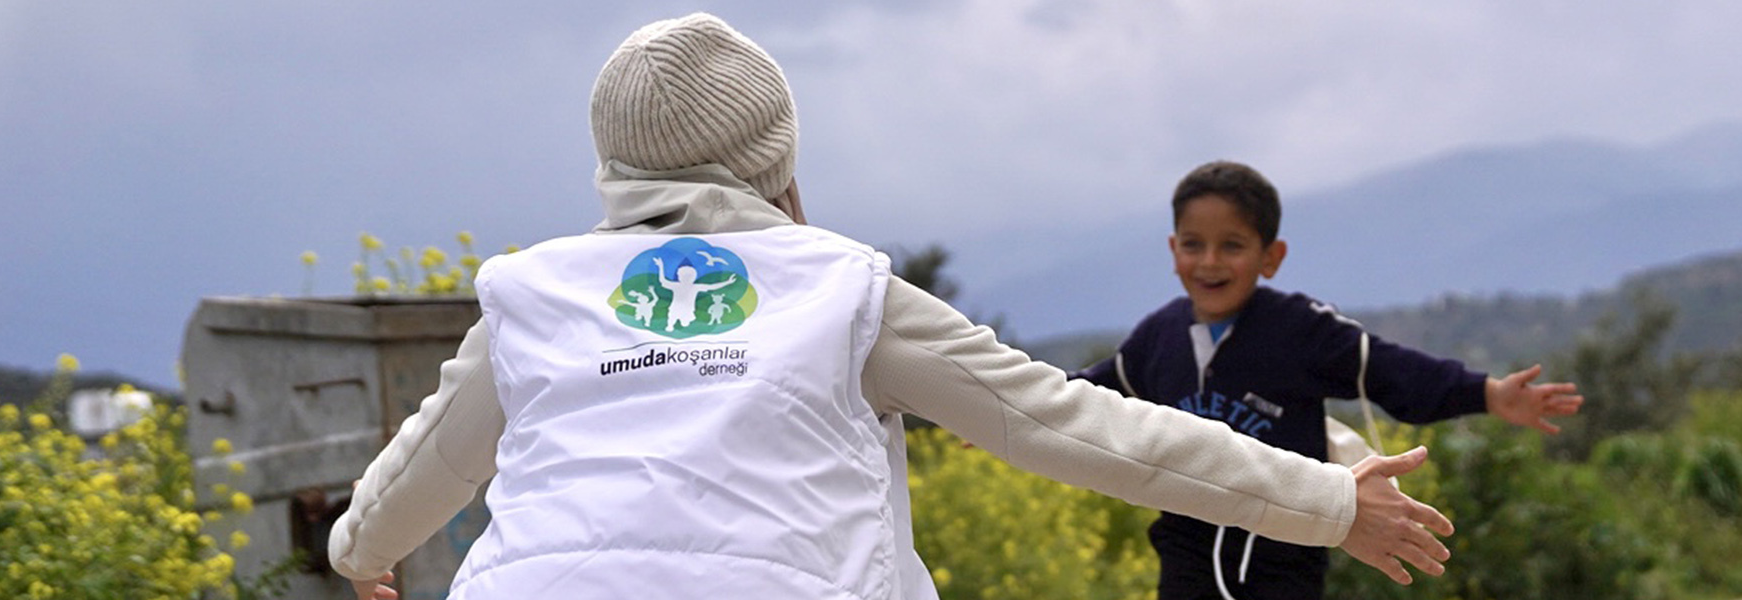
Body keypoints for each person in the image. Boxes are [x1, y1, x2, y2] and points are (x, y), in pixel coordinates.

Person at [328, 14, 1457, 600]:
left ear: (611, 166)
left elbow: (416, 475)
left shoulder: (531, 296)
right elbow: (1076, 427)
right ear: (776, 157)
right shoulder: (841, 290)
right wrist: (1324, 500)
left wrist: (358, 552)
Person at [1071, 160, 1586, 600]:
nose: (1209, 262)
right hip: (1185, 571)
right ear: (1173, 249)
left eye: (1231, 245)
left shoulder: (1301, 330)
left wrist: (1488, 393)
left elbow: (1392, 372)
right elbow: (1081, 400)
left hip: (1282, 572)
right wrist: (1016, 403)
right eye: (1193, 244)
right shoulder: (1157, 340)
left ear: (1271, 257)